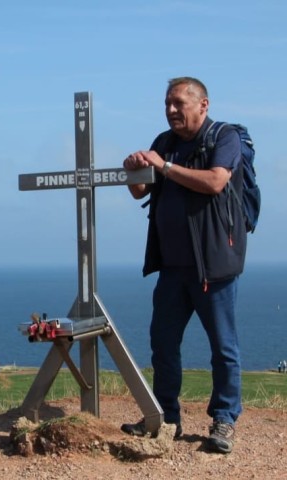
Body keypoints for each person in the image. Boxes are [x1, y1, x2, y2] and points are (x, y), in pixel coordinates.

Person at [121, 77, 247, 454]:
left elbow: (214, 182)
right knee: (163, 344)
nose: (171, 110)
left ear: (203, 105)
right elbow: (140, 191)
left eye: (179, 103)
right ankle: (166, 419)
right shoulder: (165, 143)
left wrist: (165, 166)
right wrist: (135, 170)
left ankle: (224, 420)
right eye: (167, 104)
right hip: (172, 267)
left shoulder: (225, 138)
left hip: (214, 268)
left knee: (223, 348)